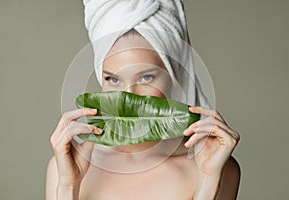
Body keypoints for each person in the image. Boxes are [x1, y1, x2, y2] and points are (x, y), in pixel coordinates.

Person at [46, 1, 241, 199]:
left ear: (174, 78)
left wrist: (208, 181)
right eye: (113, 79)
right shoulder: (67, 167)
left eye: (146, 77)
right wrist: (68, 186)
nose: (128, 97)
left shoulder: (212, 166)